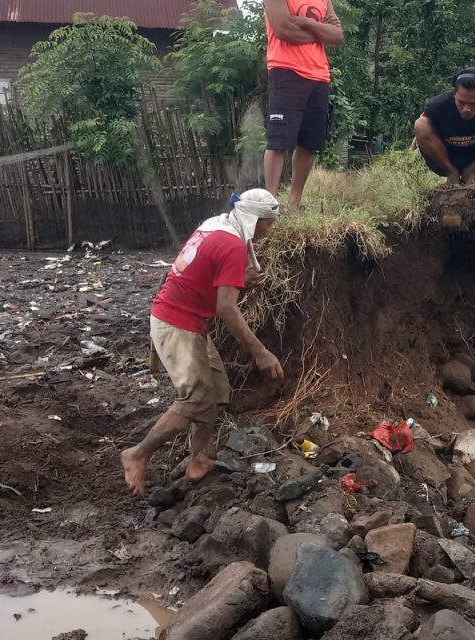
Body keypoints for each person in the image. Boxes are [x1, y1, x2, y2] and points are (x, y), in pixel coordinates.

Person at [122, 189, 286, 496]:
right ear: (255, 220)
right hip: (176, 322)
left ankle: (197, 459)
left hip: (185, 317)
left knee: (214, 388)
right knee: (196, 397)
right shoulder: (233, 246)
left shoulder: (216, 225)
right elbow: (226, 308)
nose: (269, 230)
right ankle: (138, 453)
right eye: (268, 223)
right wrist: (260, 352)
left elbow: (204, 278)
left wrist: (241, 283)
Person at [263, 0, 344, 210]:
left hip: (319, 76)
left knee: (308, 143)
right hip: (285, 71)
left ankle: (294, 204)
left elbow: (337, 36)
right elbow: (284, 30)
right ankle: (271, 206)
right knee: (278, 140)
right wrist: (320, 32)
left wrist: (306, 23)